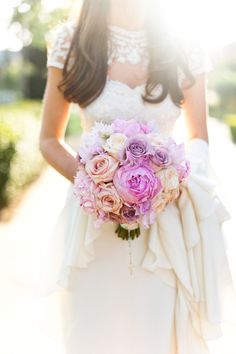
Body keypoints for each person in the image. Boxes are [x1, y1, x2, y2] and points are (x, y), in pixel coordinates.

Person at [34, 0, 236, 353]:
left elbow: (199, 138)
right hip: (93, 222)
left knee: (154, 329)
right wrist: (98, 184)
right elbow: (49, 140)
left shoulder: (183, 43)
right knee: (93, 331)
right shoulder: (72, 41)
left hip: (163, 225)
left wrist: (168, 183)